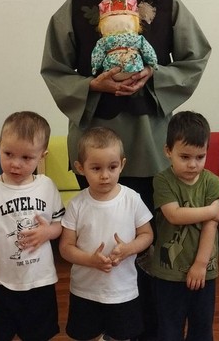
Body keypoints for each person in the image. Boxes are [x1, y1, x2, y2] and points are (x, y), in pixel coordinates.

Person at [40, 0, 212, 208]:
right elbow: (54, 68)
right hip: (93, 140)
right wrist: (92, 85)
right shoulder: (76, 6)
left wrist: (154, 74)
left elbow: (195, 58)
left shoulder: (165, 4)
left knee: (147, 222)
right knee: (96, 219)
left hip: (150, 138)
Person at [0, 111, 65, 341]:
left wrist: (48, 232)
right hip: (2, 284)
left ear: (42, 156)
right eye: (8, 153)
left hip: (40, 282)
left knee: (39, 334)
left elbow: (59, 224)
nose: (15, 164)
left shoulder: (47, 186)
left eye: (27, 157)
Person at [59, 127, 155, 341]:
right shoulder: (76, 204)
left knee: (123, 335)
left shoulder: (132, 199)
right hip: (85, 290)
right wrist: (90, 260)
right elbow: (65, 247)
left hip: (123, 290)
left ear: (122, 164)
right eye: (96, 168)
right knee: (87, 335)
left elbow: (147, 235)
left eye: (112, 167)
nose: (105, 175)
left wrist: (129, 248)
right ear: (80, 168)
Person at [147, 111, 219, 341]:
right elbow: (174, 215)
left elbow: (211, 227)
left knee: (202, 328)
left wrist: (200, 265)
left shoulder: (211, 181)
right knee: (169, 329)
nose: (193, 164)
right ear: (168, 151)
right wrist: (212, 211)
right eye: (185, 157)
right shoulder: (162, 180)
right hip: (168, 274)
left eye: (200, 157)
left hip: (204, 271)